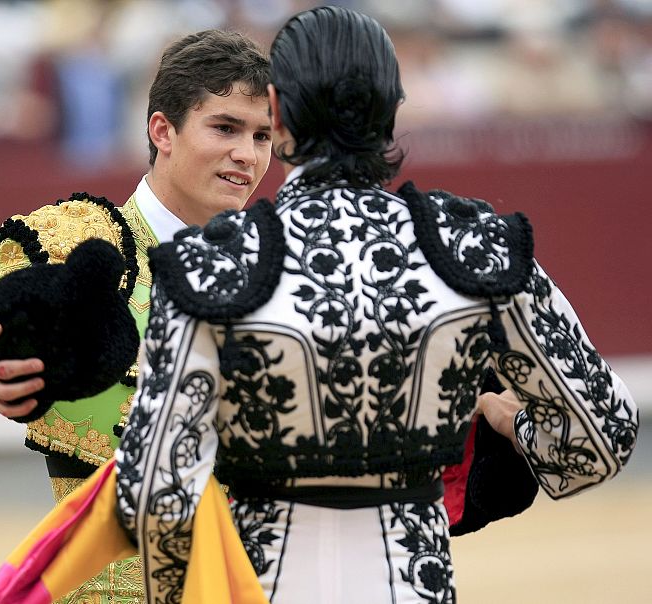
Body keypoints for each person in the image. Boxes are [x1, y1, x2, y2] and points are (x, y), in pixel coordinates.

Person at [114, 6, 638, 603]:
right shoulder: (475, 249)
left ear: (278, 115)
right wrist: (510, 422)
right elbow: (601, 436)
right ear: (392, 113)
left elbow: (155, 491)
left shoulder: (208, 265)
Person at [0, 29, 272, 604]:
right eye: (225, 128)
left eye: (261, 136)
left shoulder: (275, 268)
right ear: (163, 131)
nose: (247, 154)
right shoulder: (69, 244)